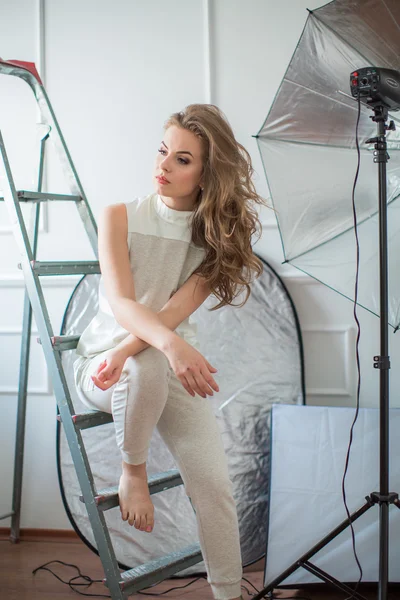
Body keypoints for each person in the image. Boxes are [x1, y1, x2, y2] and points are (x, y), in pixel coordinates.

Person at [73, 103, 269, 600]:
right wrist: (149, 349)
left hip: (158, 359)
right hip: (104, 366)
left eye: (182, 160)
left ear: (208, 173)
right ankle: (132, 473)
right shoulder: (119, 215)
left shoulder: (217, 238)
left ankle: (229, 594)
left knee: (214, 488)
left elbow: (173, 315)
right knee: (143, 367)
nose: (163, 166)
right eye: (163, 151)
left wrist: (165, 346)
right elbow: (120, 303)